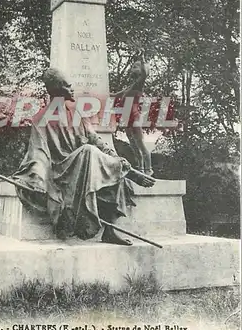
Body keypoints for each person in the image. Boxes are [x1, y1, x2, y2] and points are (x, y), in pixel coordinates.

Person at [13, 68, 155, 246]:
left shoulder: (77, 115)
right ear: (57, 90)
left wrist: (118, 161)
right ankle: (125, 170)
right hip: (61, 171)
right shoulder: (40, 119)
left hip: (85, 166)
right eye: (67, 86)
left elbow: (98, 142)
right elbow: (38, 154)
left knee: (106, 161)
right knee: (89, 152)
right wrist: (37, 179)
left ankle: (110, 231)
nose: (72, 89)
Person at [112, 50, 154, 176]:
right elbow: (114, 95)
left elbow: (145, 74)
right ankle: (140, 168)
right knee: (133, 145)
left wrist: (142, 58)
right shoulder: (130, 87)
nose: (132, 68)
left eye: (136, 66)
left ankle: (149, 169)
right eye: (133, 66)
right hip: (126, 117)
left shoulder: (138, 84)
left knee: (140, 143)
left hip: (134, 116)